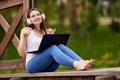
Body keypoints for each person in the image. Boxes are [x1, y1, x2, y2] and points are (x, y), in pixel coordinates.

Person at [18, 8, 95, 73]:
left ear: (42, 16)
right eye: (33, 16)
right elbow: (21, 54)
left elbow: (45, 49)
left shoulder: (44, 32)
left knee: (59, 45)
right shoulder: (26, 31)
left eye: (38, 14)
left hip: (48, 67)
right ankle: (76, 64)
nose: (36, 17)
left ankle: (81, 61)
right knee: (53, 48)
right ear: (29, 20)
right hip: (32, 66)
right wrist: (24, 38)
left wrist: (50, 37)